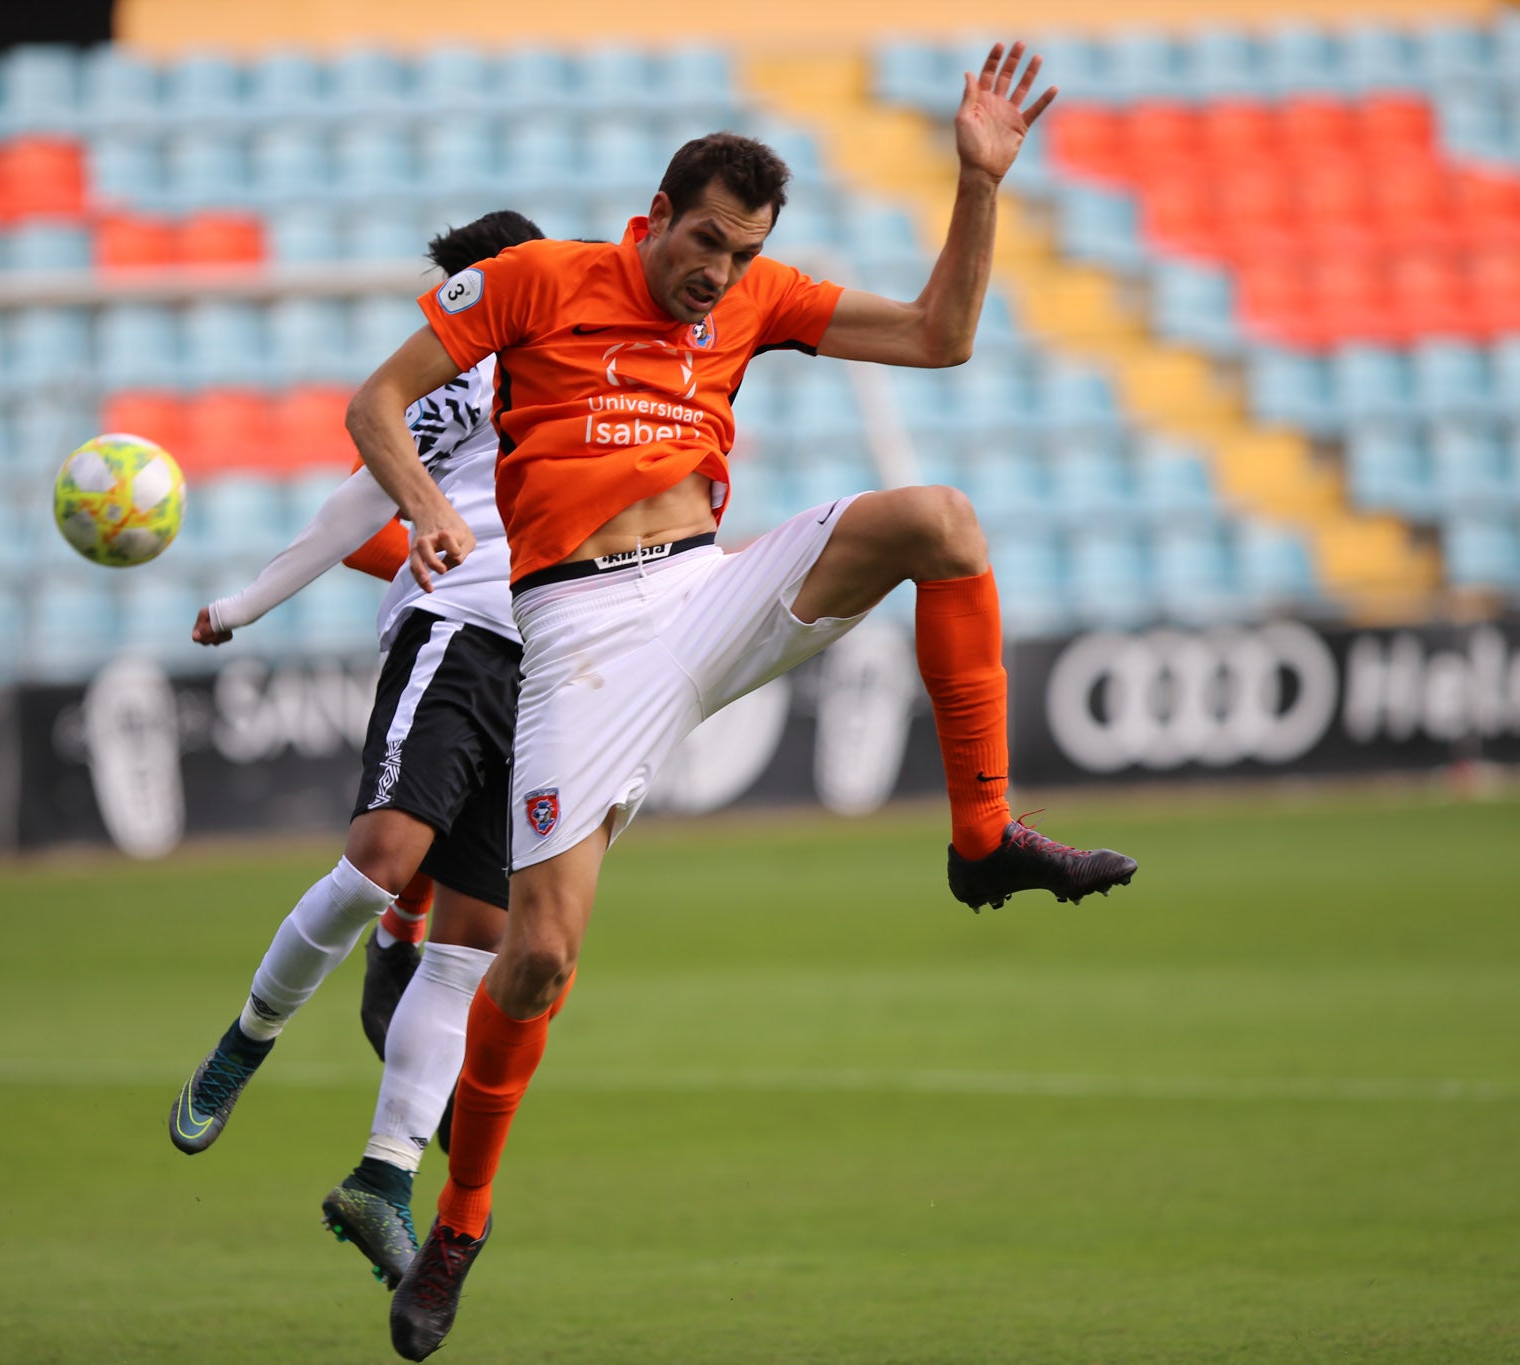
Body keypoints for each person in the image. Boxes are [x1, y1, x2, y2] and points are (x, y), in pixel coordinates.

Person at [342, 45, 1138, 1359]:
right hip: (580, 634)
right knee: (538, 959)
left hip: (707, 588)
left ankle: (985, 838)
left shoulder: (755, 301)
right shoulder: (538, 282)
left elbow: (942, 337)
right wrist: (428, 511)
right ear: (653, 218)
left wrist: (977, 182)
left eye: (740, 250)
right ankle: (460, 1225)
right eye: (701, 241)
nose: (714, 272)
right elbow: (376, 400)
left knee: (942, 520)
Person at [166, 209, 547, 1289]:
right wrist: (245, 603)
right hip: (463, 634)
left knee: (472, 942)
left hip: (559, 667)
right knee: (379, 862)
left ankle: (382, 1177)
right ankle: (247, 1040)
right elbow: (356, 499)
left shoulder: (605, 373)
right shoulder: (451, 388)